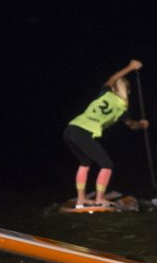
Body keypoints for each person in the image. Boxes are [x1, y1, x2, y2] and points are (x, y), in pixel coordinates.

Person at [63, 60, 149, 207]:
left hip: (70, 129)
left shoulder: (105, 93)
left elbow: (112, 79)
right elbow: (132, 126)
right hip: (82, 132)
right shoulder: (123, 108)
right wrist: (142, 124)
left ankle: (81, 199)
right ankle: (100, 198)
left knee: (85, 162)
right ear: (127, 91)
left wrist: (129, 67)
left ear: (113, 89)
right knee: (107, 164)